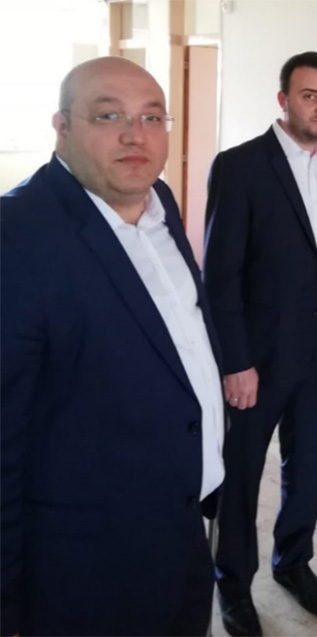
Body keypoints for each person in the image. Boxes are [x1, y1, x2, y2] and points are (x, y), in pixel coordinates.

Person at [1, 57, 223, 636]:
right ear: (62, 127)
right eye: (109, 116)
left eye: (152, 116)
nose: (135, 135)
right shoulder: (15, 236)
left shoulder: (160, 199)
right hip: (87, 567)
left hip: (182, 528)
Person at [203, 52, 317, 636]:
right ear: (284, 100)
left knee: (309, 462)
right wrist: (235, 361)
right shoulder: (239, 166)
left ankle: (294, 561)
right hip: (259, 351)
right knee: (241, 471)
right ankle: (233, 582)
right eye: (310, 95)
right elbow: (220, 275)